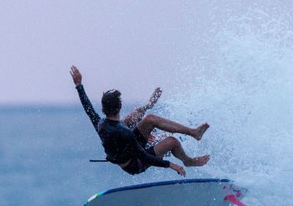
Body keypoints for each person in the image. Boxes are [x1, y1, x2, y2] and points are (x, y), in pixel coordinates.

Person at [70, 65, 210, 176]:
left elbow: (88, 108)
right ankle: (188, 161)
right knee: (172, 142)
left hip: (128, 147)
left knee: (143, 116)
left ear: (103, 109)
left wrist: (79, 86)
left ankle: (193, 132)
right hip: (135, 163)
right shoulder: (125, 133)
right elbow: (144, 156)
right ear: (119, 106)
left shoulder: (100, 123)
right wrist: (171, 165)